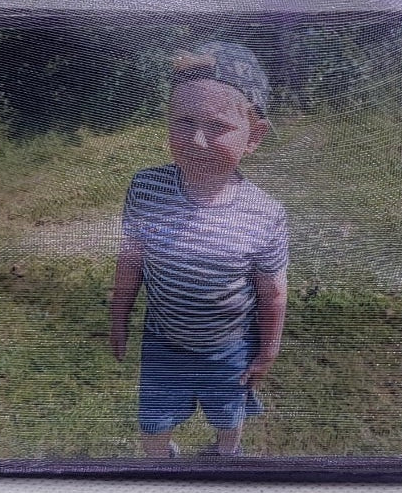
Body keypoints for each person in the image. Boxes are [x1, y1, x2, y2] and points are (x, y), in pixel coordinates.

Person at [109, 41, 289, 458]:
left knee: (229, 420)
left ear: (254, 135)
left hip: (229, 346)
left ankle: (224, 460)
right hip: (162, 343)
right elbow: (130, 260)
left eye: (218, 126)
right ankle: (160, 465)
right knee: (152, 425)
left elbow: (272, 293)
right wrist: (118, 319)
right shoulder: (146, 189)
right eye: (183, 122)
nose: (198, 141)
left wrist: (267, 352)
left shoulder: (265, 213)